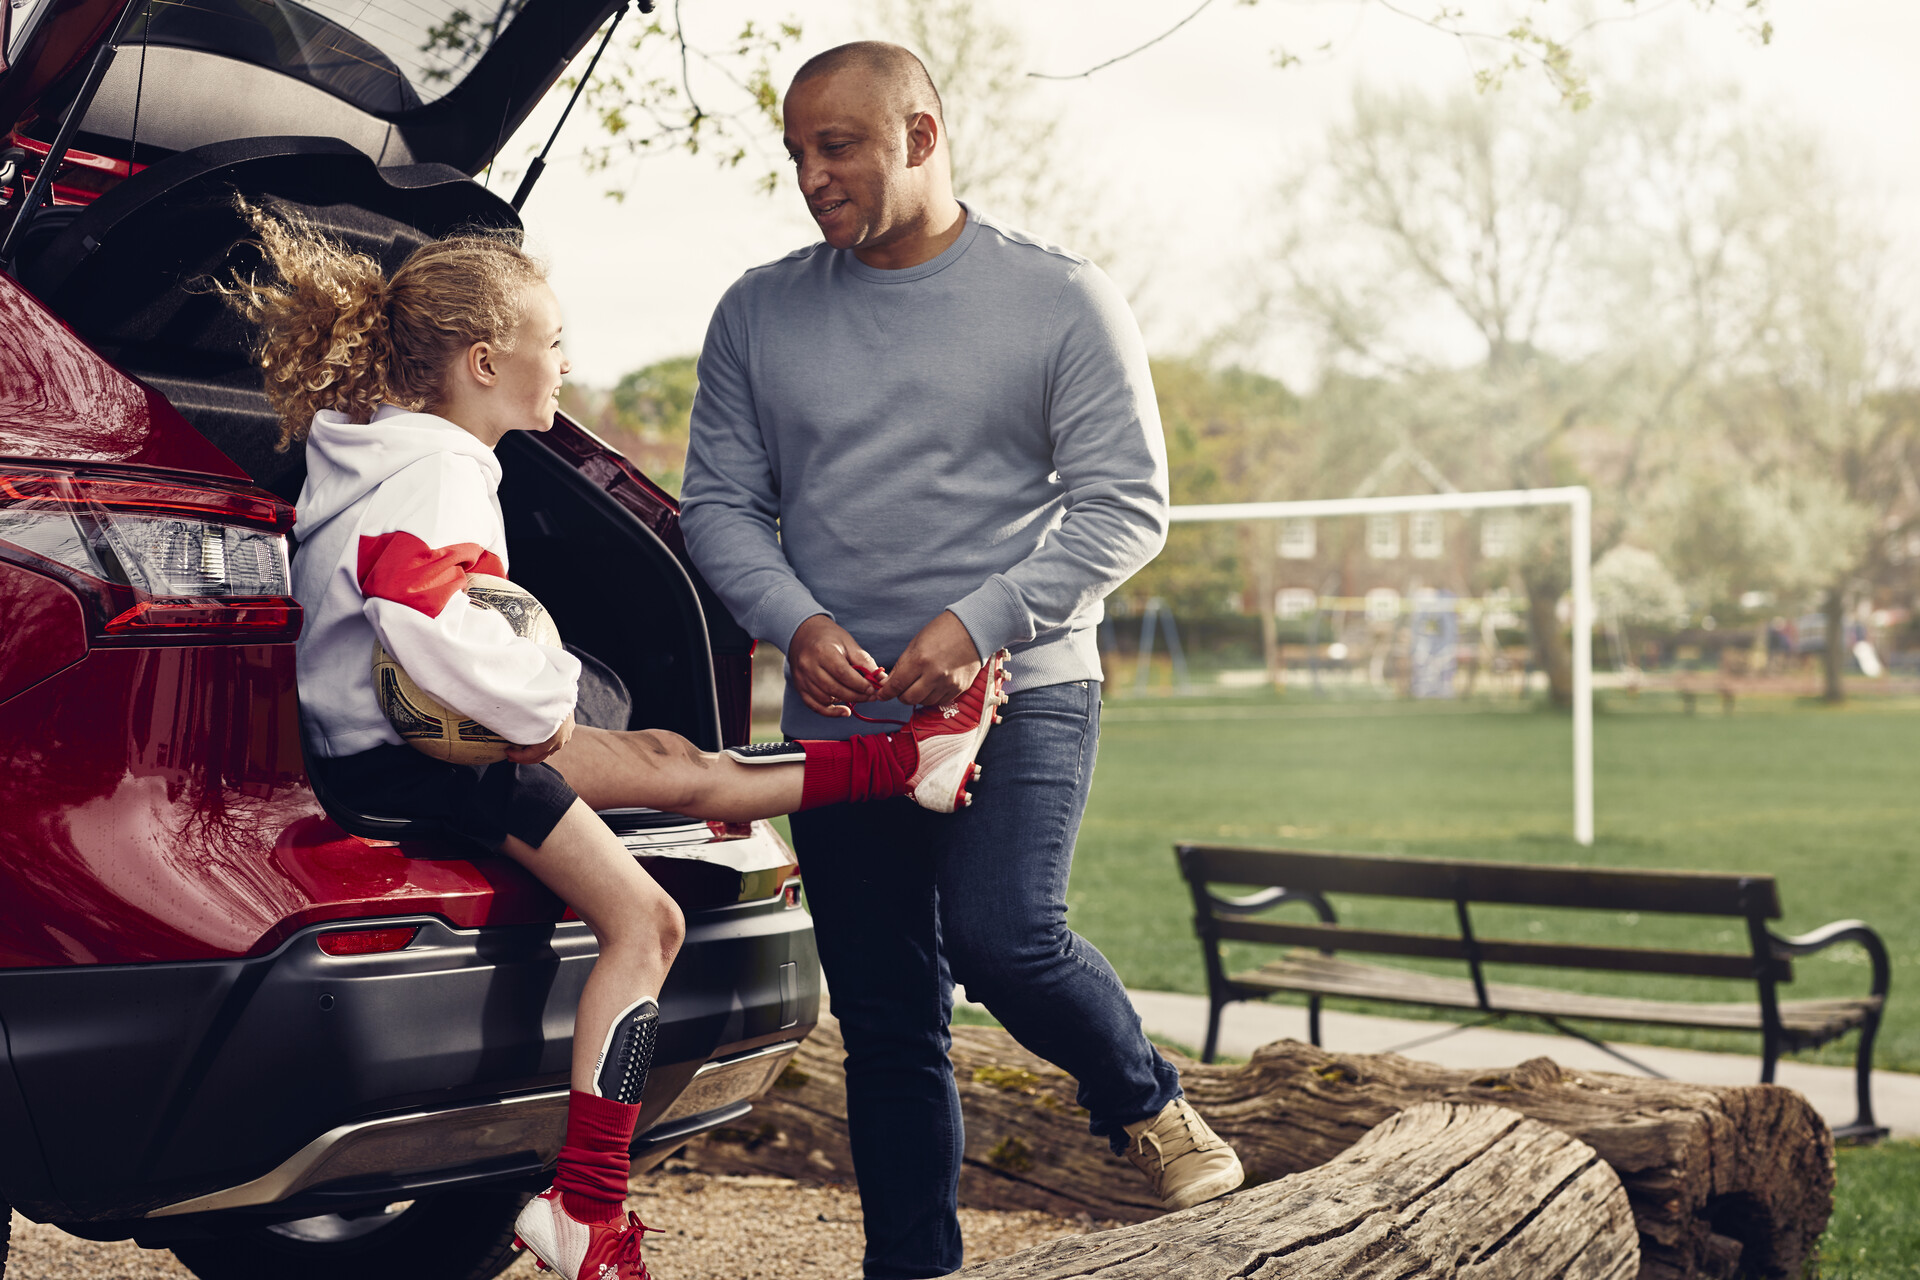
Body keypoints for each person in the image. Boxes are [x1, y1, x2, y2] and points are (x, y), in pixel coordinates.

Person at [224, 204, 1004, 1280]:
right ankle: (587, 1205)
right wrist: (541, 701)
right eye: (554, 341)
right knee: (647, 916)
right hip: (435, 763)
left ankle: (904, 765)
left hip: (396, 750)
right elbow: (416, 608)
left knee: (678, 765)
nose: (565, 360)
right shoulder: (438, 467)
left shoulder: (388, 449)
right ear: (488, 359)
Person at [680, 41, 1244, 1279]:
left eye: (840, 147)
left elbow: (1124, 507)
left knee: (1006, 937)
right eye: (797, 154)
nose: (812, 176)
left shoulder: (1060, 299)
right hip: (842, 707)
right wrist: (796, 620)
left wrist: (982, 618)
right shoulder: (758, 310)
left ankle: (1144, 1097)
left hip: (1022, 685)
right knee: (886, 1019)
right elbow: (717, 505)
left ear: (922, 137)